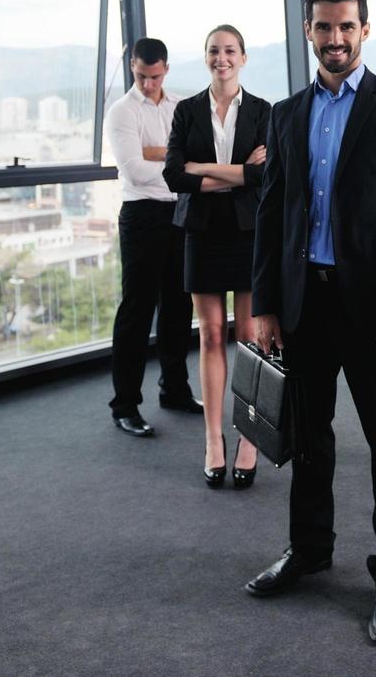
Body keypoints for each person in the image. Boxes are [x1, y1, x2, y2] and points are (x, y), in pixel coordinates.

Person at [246, 0, 376, 647]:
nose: (335, 38)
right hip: (305, 304)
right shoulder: (287, 113)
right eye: (324, 26)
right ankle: (309, 549)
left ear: (364, 29)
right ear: (308, 29)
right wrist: (267, 303)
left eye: (346, 27)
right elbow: (274, 215)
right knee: (309, 439)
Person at [162, 25, 270, 489]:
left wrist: (202, 167)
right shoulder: (187, 110)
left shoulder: (264, 111)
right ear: (205, 58)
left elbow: (266, 178)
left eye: (229, 51)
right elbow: (172, 176)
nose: (221, 58)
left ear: (243, 58)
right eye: (213, 51)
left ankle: (247, 438)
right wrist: (239, 174)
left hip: (249, 234)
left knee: (248, 337)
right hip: (202, 234)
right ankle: (212, 440)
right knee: (209, 336)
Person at [102, 38, 202, 437]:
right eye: (142, 76)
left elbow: (191, 153)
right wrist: (174, 159)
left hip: (178, 212)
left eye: (155, 76)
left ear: (166, 69)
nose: (148, 84)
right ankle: (124, 405)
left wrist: (158, 152)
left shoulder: (180, 107)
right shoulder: (121, 112)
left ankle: (174, 390)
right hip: (141, 216)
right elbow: (134, 171)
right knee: (137, 311)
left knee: (178, 308)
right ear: (132, 67)